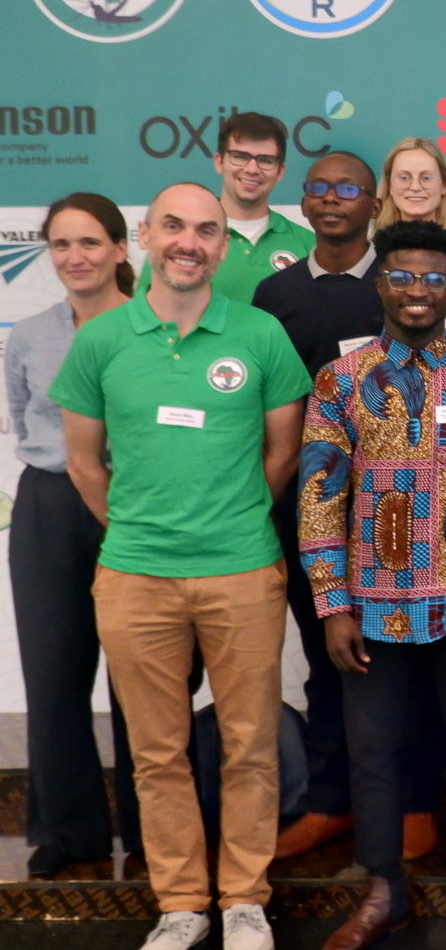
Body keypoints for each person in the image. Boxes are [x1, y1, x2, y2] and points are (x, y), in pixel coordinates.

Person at [52, 182, 311, 950]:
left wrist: (226, 519)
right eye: (174, 227)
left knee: (250, 742)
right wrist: (142, 529)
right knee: (156, 749)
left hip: (241, 569)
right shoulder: (100, 339)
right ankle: (182, 902)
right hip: (135, 574)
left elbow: (283, 451)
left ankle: (243, 900)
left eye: (206, 230)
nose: (188, 243)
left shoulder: (261, 334)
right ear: (145, 235)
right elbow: (81, 461)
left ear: (224, 246)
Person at [296, 221, 446, 950]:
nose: (418, 290)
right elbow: (320, 495)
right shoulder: (342, 380)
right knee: (373, 748)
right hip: (371, 602)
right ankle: (383, 891)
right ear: (379, 284)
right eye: (402, 277)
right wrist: (332, 603)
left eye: (433, 278)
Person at [251, 153, 389, 863]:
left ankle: (409, 804)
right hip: (306, 510)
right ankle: (333, 802)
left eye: (348, 189)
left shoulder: (399, 285)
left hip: (400, 512)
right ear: (302, 202)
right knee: (325, 653)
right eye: (319, 188)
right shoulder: (273, 296)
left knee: (399, 660)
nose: (332, 199)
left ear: (374, 202)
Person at [6, 194, 139, 877]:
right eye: (61, 245)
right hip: (50, 508)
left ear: (121, 249)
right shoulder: (27, 335)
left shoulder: (154, 329)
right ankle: (69, 831)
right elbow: (25, 422)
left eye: (90, 243)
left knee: (143, 681)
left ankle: (151, 835)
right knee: (54, 675)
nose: (75, 257)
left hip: (136, 501)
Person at [138, 112, 313, 304]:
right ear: (219, 162)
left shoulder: (309, 245)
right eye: (240, 157)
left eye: (265, 160)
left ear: (280, 171)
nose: (252, 169)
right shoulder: (182, 245)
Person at [374, 137, 446, 258]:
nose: (415, 187)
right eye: (404, 178)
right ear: (390, 186)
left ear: (444, 185)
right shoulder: (371, 256)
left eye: (426, 178)